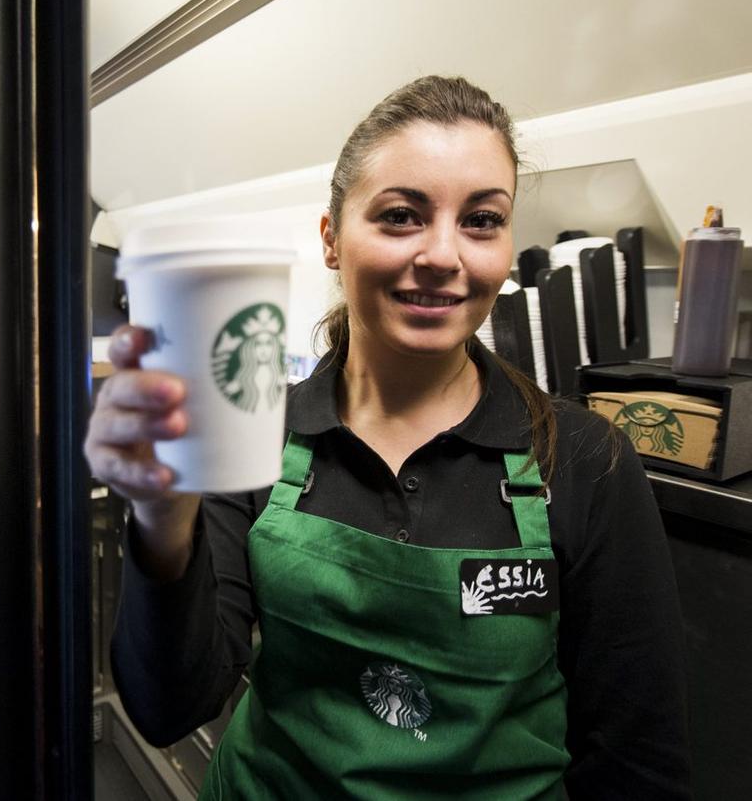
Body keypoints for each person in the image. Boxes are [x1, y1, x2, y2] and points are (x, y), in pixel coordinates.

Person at [86, 76, 689, 798]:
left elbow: (636, 761)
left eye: (482, 220)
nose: (443, 253)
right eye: (402, 215)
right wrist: (161, 522)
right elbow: (168, 708)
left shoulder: (585, 458)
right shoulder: (254, 434)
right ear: (332, 240)